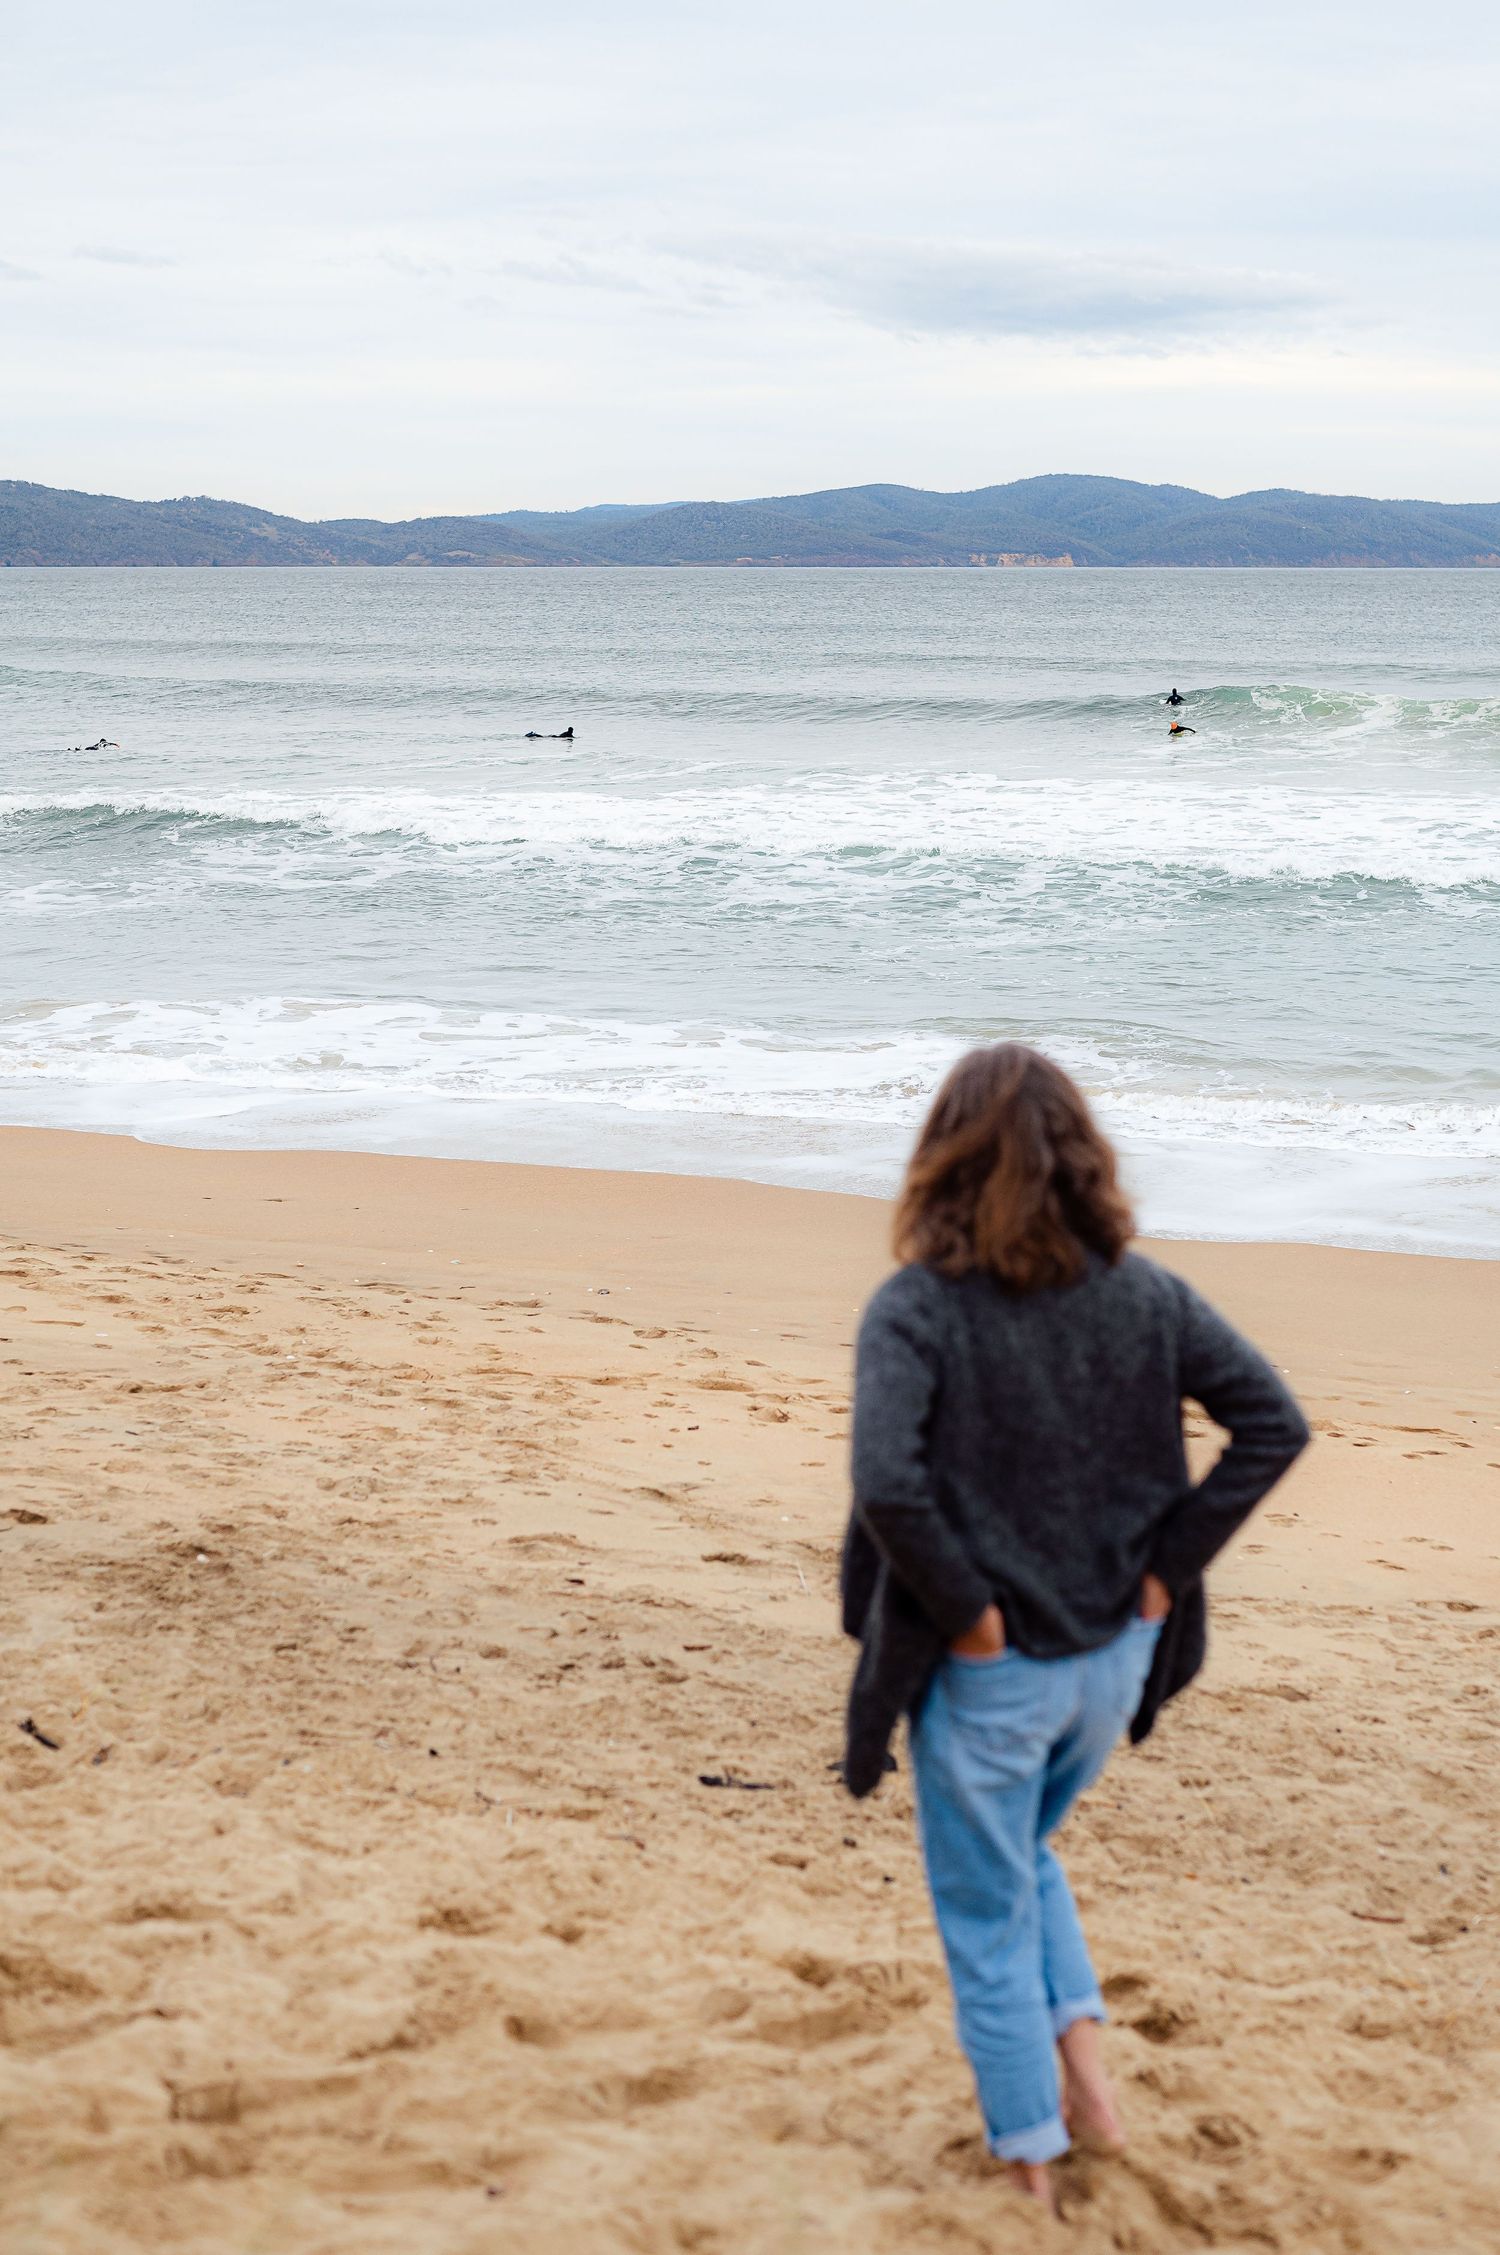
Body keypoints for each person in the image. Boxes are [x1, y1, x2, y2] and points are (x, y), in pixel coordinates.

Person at [841, 1045, 1307, 2214]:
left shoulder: (919, 1306)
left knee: (984, 1909)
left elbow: (890, 1487)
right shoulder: (1141, 1293)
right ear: (1081, 1160)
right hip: (1110, 1666)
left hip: (997, 1675)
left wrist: (975, 1617)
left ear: (943, 1161)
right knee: (1022, 1854)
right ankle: (1089, 2084)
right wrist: (1156, 1583)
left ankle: (1029, 2159)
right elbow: (1273, 1421)